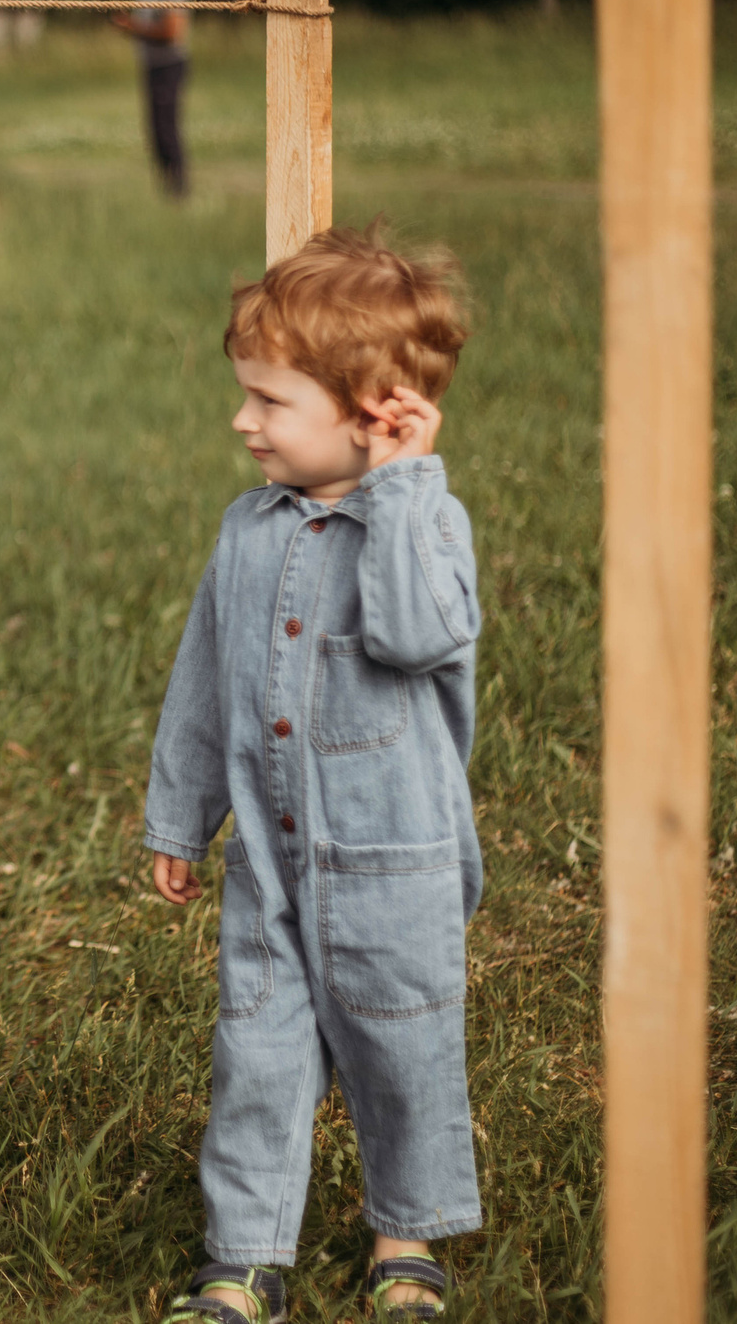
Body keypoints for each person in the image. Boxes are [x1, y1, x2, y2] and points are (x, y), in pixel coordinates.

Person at [143, 225, 480, 1324]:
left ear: (373, 410)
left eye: (270, 401)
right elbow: (205, 683)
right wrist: (178, 820)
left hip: (397, 861)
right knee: (259, 1050)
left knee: (403, 1044)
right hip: (270, 855)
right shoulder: (247, 533)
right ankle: (242, 1259)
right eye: (245, 394)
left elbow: (418, 637)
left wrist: (402, 485)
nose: (243, 420)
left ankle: (405, 1244)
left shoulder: (426, 525)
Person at [112, 0, 192, 199]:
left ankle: (178, 190)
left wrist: (131, 26)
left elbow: (172, 31)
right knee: (156, 130)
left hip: (169, 65)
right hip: (153, 65)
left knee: (167, 129)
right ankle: (167, 189)